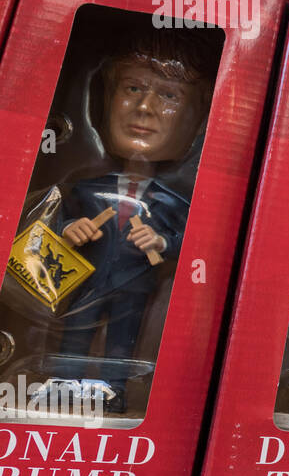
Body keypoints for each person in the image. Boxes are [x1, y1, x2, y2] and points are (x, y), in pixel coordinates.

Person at [52, 29, 216, 413]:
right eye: (131, 89)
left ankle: (114, 391)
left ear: (196, 119)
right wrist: (67, 232)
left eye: (169, 95)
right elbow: (53, 228)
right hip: (82, 283)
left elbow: (189, 243)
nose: (145, 108)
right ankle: (61, 384)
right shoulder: (86, 190)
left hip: (135, 287)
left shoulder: (173, 201)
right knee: (75, 335)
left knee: (124, 341)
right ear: (106, 99)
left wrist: (161, 243)